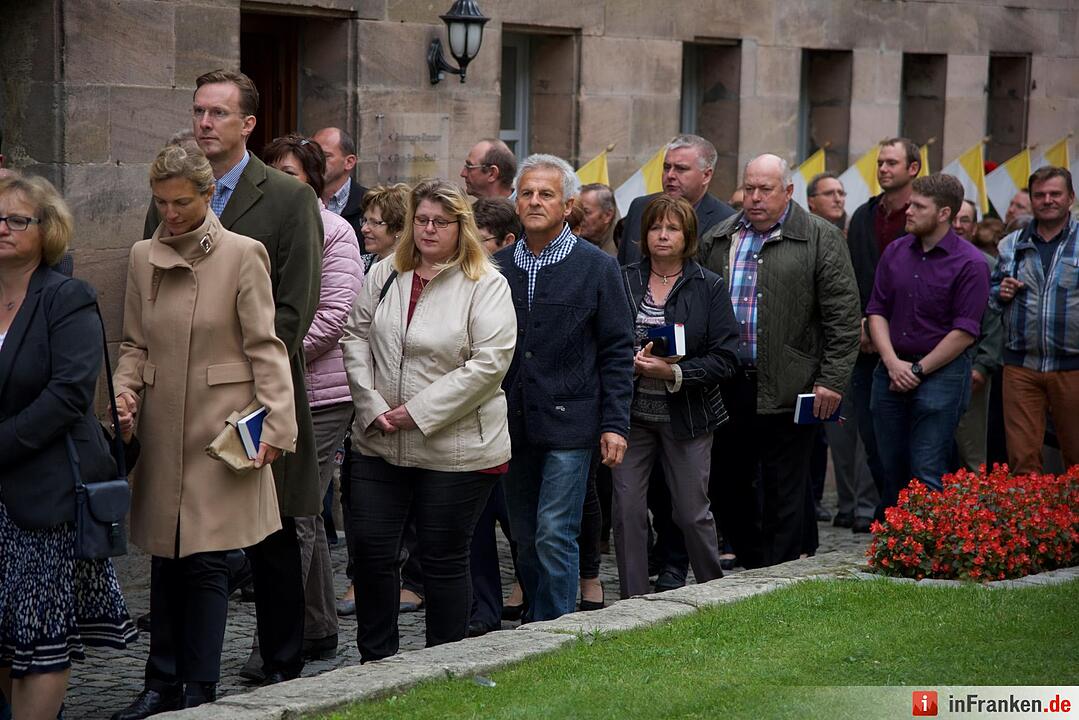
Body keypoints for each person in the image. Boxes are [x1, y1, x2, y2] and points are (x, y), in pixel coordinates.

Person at [135, 68, 321, 703]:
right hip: (177, 405)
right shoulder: (170, 193)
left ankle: (280, 665)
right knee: (175, 544)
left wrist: (245, 394)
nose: (204, 123)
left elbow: (293, 310)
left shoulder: (288, 199)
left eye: (218, 113)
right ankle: (171, 677)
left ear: (247, 125)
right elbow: (150, 293)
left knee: (268, 536)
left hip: (248, 397)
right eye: (198, 111)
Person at [112, 144, 297, 714]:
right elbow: (134, 342)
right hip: (165, 427)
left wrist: (276, 425)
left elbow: (266, 347)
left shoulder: (244, 254)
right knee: (165, 558)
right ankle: (158, 682)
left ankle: (199, 686)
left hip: (222, 430)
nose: (170, 213)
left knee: (209, 560)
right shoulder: (144, 255)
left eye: (181, 202)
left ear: (208, 194)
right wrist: (125, 391)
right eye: (162, 202)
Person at [340, 179, 516, 662]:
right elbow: (354, 338)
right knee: (373, 555)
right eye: (421, 220)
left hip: (454, 449)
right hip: (378, 440)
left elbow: (488, 364)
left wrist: (415, 414)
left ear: (462, 227)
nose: (429, 230)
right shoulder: (385, 273)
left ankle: (442, 664)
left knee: (442, 558)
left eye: (441, 221)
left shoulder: (486, 283)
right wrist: (371, 404)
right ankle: (374, 664)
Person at [0, 174, 136, 720]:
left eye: (16, 220)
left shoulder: (67, 295)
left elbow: (69, 394)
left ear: (46, 229)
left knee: (38, 637)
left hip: (45, 492)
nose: (3, 229)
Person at [699, 154, 860, 569]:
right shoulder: (719, 237)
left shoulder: (821, 238)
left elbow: (843, 318)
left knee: (785, 485)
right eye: (749, 188)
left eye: (765, 189)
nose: (754, 197)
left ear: (787, 191)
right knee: (727, 481)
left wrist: (832, 380)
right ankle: (753, 561)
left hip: (794, 382)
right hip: (729, 382)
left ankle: (781, 569)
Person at [495, 154, 634, 622]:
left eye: (546, 194)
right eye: (527, 193)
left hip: (573, 422)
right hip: (512, 421)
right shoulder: (496, 268)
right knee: (525, 534)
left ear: (569, 204)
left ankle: (552, 632)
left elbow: (617, 350)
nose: (534, 201)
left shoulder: (596, 267)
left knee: (556, 530)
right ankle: (538, 616)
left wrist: (615, 424)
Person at [262, 134, 364, 663]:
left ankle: (274, 641)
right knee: (304, 512)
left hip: (322, 394)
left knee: (294, 512)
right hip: (272, 386)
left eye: (293, 172)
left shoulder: (335, 231)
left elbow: (333, 316)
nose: (283, 179)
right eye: (274, 170)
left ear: (314, 182)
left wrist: (267, 348)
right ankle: (320, 627)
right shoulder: (266, 223)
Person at [613, 195, 739, 599]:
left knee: (690, 511)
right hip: (630, 414)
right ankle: (631, 603)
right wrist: (625, 359)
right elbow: (604, 341)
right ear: (643, 234)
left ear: (688, 238)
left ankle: (712, 593)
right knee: (628, 510)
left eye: (672, 229)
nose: (662, 236)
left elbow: (727, 357)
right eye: (655, 227)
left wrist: (675, 372)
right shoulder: (623, 278)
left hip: (687, 414)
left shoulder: (709, 285)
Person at [866, 174, 990, 504]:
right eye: (910, 204)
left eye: (919, 206)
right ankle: (895, 546)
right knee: (889, 465)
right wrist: (893, 364)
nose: (908, 211)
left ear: (944, 214)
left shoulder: (971, 263)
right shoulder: (894, 251)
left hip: (942, 373)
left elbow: (964, 332)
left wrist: (917, 370)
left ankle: (925, 550)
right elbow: (876, 310)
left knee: (927, 469)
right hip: (891, 369)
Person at [846, 137, 921, 522]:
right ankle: (890, 510)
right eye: (880, 162)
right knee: (873, 438)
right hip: (863, 344)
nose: (883, 169)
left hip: (910, 347)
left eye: (892, 162)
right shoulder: (862, 215)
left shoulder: (922, 217)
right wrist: (860, 322)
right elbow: (854, 275)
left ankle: (911, 516)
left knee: (912, 442)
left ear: (913, 169)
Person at [991, 167, 1079, 473]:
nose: (1047, 200)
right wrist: (999, 291)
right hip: (1020, 366)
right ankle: (1029, 522)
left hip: (1073, 366)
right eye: (1040, 195)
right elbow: (991, 296)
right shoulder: (1010, 244)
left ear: (1071, 198)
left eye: (1055, 194)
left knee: (1076, 458)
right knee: (1022, 459)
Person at [619, 134, 736, 266]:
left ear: (706, 175)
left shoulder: (726, 221)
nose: (670, 175)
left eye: (681, 169)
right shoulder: (640, 207)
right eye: (667, 167)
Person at [952, 199, 1003, 472]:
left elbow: (995, 319)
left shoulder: (988, 265)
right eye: (954, 219)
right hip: (931, 369)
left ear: (974, 227)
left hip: (972, 370)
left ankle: (974, 513)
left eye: (966, 220)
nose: (958, 226)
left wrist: (983, 364)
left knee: (971, 453)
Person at [312, 127, 368, 240]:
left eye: (325, 156)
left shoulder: (368, 203)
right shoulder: (301, 199)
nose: (315, 161)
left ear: (349, 162)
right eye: (312, 155)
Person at [358, 184, 410, 274]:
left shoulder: (413, 270)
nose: (364, 229)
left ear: (400, 228)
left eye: (375, 222)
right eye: (365, 220)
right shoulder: (360, 265)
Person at [577, 183, 620, 257]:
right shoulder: (574, 241)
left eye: (586, 212)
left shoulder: (621, 247)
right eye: (578, 210)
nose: (579, 216)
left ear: (607, 215)